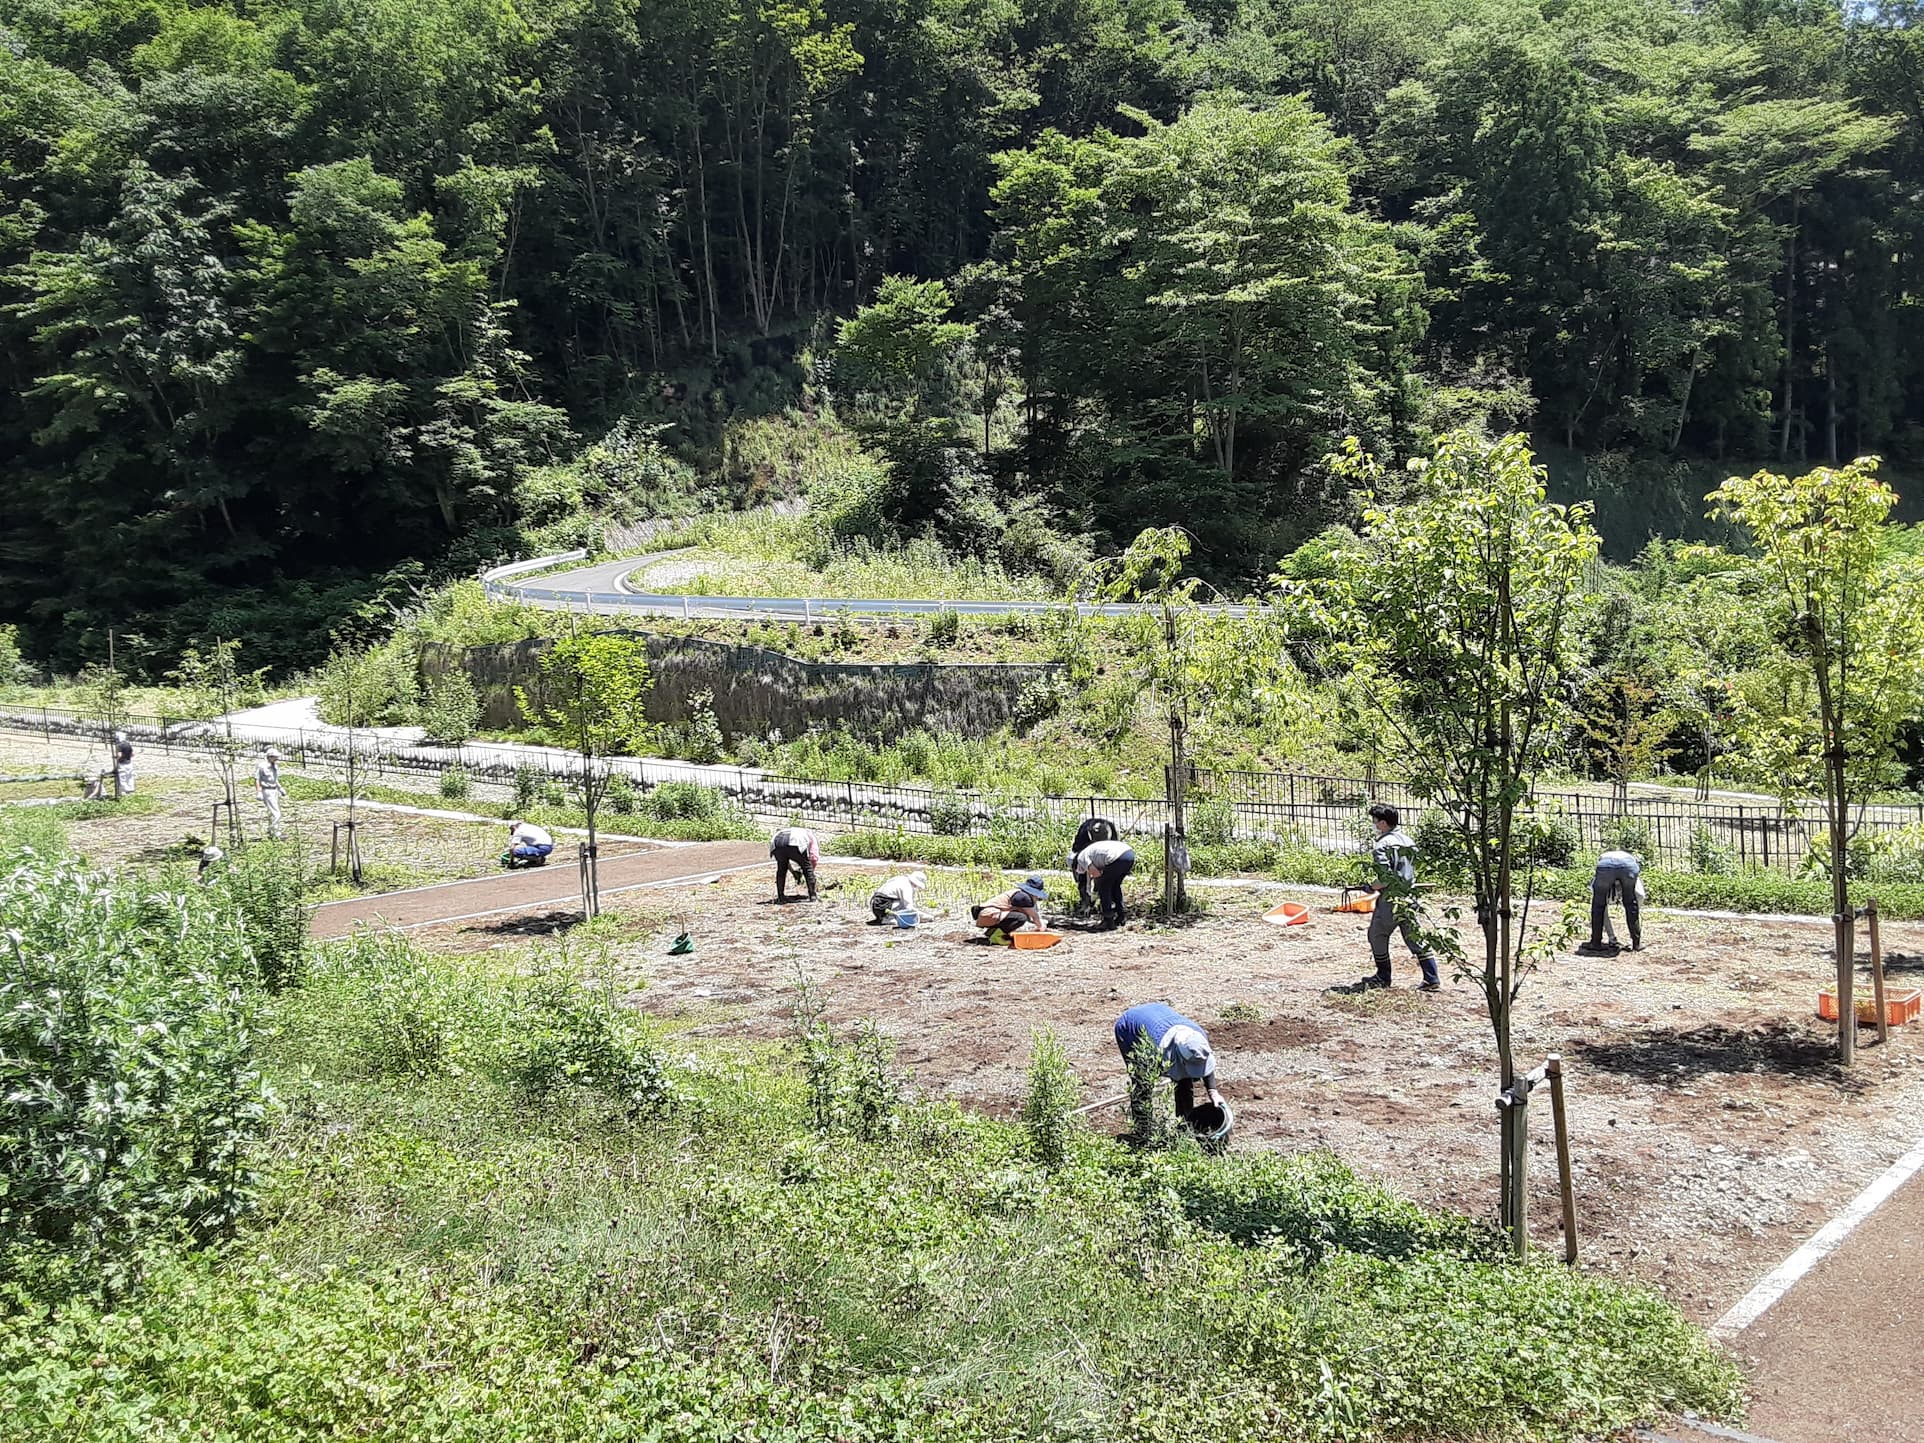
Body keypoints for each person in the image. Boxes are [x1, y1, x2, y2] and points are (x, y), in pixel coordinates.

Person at [1113, 1002, 1230, 1140]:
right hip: (1129, 1027)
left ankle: (1185, 1128)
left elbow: (1203, 1060)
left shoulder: (1199, 1037)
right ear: (1180, 1057)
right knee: (1142, 1083)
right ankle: (1142, 1132)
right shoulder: (1158, 1051)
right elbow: (1176, 1076)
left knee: (1184, 1081)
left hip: (1159, 1012)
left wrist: (1213, 1092)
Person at [1355, 803, 1440, 991]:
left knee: (1377, 935)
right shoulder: (1408, 841)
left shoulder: (1382, 845)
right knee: (1415, 937)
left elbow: (1385, 878)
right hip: (1409, 897)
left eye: (1375, 821)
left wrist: (1371, 887)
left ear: (1383, 823)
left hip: (1391, 900)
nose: (1374, 824)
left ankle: (1383, 976)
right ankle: (1432, 978)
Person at [1584, 848, 1644, 952]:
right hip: (1628, 868)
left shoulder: (1604, 857)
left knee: (1598, 905)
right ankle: (1636, 944)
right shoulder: (1629, 859)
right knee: (1630, 904)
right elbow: (1640, 895)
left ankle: (1595, 943)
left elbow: (1594, 891)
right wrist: (1636, 909)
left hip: (1606, 868)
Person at [1074, 836, 1135, 929]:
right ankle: (1121, 916)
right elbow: (1093, 875)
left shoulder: (1081, 858)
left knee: (1104, 887)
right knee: (1114, 886)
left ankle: (1108, 920)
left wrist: (1094, 896)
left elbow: (1097, 875)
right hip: (1129, 854)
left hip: (1117, 857)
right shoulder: (1088, 853)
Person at [970, 875, 1046, 944]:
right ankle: (997, 936)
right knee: (1021, 917)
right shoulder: (1024, 897)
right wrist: (1041, 928)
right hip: (990, 914)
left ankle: (992, 932)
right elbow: (1034, 916)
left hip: (987, 915)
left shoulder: (1019, 894)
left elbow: (1030, 917)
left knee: (1019, 915)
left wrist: (1039, 923)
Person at [1068, 815, 1119, 912]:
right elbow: (1076, 849)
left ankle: (1107, 902)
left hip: (1105, 858)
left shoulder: (1110, 828)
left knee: (1109, 879)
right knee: (1081, 875)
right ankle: (1085, 901)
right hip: (1085, 854)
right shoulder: (1084, 831)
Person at [770, 825, 820, 901]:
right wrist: (810, 874)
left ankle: (781, 896)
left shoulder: (786, 831)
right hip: (796, 842)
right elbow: (813, 858)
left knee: (781, 869)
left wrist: (793, 872)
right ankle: (813, 896)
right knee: (807, 868)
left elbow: (785, 861)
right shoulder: (810, 835)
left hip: (777, 842)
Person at [254, 748, 285, 839]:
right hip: (267, 790)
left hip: (274, 790)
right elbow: (257, 779)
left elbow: (275, 779)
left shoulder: (275, 766)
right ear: (270, 757)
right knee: (276, 813)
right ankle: (276, 832)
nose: (277, 759)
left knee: (271, 812)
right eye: (275, 757)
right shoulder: (262, 766)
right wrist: (259, 792)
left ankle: (271, 831)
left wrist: (280, 788)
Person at [112, 731, 135, 798]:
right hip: (129, 763)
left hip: (122, 763)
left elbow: (119, 755)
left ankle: (124, 791)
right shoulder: (128, 744)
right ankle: (131, 790)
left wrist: (115, 757)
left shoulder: (119, 745)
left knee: (123, 777)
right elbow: (132, 754)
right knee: (129, 776)